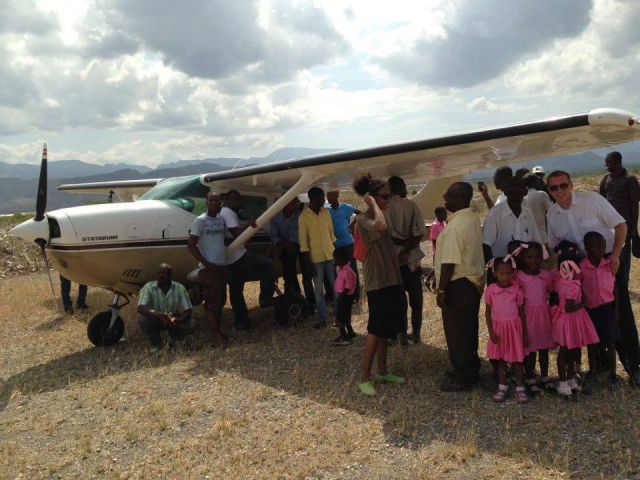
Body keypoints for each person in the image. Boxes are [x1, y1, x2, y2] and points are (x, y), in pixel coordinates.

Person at [546, 170, 640, 385]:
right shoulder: (551, 215)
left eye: (563, 185)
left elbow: (621, 225)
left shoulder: (592, 200)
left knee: (619, 314)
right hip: (581, 269)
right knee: (591, 316)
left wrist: (616, 255)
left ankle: (634, 366)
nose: (559, 191)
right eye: (553, 187)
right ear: (549, 191)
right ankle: (601, 367)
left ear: (570, 185)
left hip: (608, 262)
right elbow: (554, 246)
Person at [353, 175, 405, 396]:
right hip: (377, 280)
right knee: (375, 328)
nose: (389, 200)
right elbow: (381, 227)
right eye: (384, 196)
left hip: (391, 277)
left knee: (385, 328)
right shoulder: (363, 219)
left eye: (389, 195)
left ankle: (382, 371)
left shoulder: (380, 214)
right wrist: (373, 204)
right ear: (370, 197)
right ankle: (365, 376)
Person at [435, 182, 485, 392]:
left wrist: (441, 290)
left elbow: (449, 262)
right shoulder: (471, 216)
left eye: (449, 195)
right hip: (471, 282)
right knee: (468, 328)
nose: (445, 198)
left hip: (458, 284)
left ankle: (464, 377)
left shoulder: (456, 226)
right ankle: (468, 368)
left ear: (459, 200)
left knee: (457, 332)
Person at [220, 189, 276, 330]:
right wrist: (249, 225)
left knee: (236, 290)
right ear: (227, 200)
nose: (239, 202)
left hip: (230, 258)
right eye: (236, 199)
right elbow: (237, 233)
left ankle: (242, 322)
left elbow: (237, 237)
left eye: (240, 199)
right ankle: (265, 298)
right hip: (238, 256)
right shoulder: (228, 212)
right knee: (268, 265)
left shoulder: (226, 212)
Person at [385, 176, 427, 344]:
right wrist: (408, 248)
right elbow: (419, 233)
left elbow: (384, 235)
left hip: (394, 260)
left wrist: (400, 246)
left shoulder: (385, 208)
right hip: (412, 259)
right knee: (416, 300)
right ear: (400, 188)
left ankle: (401, 336)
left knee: (398, 301)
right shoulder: (411, 205)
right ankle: (416, 334)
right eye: (404, 185)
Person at [551, 257, 600, 398]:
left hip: (563, 319)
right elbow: (569, 307)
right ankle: (563, 382)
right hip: (570, 320)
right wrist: (582, 303)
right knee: (566, 351)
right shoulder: (573, 286)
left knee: (570, 350)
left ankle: (570, 379)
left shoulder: (560, 282)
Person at [485, 256, 529, 405]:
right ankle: (502, 386)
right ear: (495, 274)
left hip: (514, 329)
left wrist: (524, 332)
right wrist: (491, 331)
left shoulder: (517, 290)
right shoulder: (491, 290)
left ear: (513, 273)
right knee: (501, 359)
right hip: (499, 329)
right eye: (501, 273)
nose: (505, 277)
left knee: (517, 360)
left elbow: (522, 312)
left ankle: (520, 388)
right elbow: (487, 312)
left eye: (509, 273)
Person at [513, 242, 555, 394]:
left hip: (543, 317)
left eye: (537, 257)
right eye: (529, 257)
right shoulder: (518, 277)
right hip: (527, 317)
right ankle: (530, 378)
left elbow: (552, 291)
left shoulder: (546, 276)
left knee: (543, 348)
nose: (534, 261)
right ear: (523, 258)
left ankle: (544, 377)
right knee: (530, 350)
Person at [581, 231, 620, 389]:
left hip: (608, 309)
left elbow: (614, 288)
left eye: (603, 247)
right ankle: (592, 371)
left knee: (610, 342)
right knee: (593, 343)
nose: (601, 250)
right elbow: (579, 289)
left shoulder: (608, 264)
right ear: (587, 248)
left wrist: (616, 310)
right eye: (597, 247)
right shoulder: (582, 267)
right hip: (591, 310)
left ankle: (612, 374)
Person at [187, 191, 227, 346]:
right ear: (206, 202)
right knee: (211, 303)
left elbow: (226, 238)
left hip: (221, 266)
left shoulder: (221, 219)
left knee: (220, 300)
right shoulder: (200, 221)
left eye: (217, 200)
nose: (215, 203)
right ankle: (215, 336)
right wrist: (207, 264)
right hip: (209, 268)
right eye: (211, 200)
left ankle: (218, 332)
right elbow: (191, 244)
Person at [299, 187, 337, 329]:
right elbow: (303, 244)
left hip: (330, 255)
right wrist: (308, 264)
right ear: (313, 199)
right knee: (319, 291)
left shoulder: (325, 212)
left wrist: (335, 254)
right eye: (322, 197)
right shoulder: (303, 217)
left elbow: (331, 235)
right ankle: (323, 319)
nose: (324, 200)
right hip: (316, 259)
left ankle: (340, 316)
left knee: (336, 287)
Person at [270, 197, 315, 313]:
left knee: (307, 275)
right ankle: (296, 300)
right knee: (290, 276)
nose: (297, 204)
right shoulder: (275, 218)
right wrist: (286, 244)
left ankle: (311, 304)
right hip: (287, 248)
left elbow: (300, 234)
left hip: (301, 245)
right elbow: (274, 237)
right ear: (285, 204)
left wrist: (290, 244)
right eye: (294, 202)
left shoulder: (300, 216)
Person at [137, 263, 193, 353]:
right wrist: (157, 315)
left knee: (191, 323)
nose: (161, 276)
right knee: (142, 319)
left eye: (165, 273)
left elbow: (188, 310)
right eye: (159, 273)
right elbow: (140, 308)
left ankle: (176, 339)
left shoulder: (179, 287)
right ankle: (156, 344)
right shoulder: (149, 287)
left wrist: (178, 319)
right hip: (156, 318)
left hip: (172, 319)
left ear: (171, 275)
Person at [482, 176, 542, 259]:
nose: (515, 196)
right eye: (511, 192)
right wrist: (491, 267)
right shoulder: (495, 213)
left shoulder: (528, 214)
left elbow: (536, 242)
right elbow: (486, 244)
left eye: (519, 193)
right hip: (503, 269)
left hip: (525, 268)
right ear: (505, 193)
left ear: (525, 193)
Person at [325, 190, 361, 305]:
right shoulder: (327, 211)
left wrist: (353, 223)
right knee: (336, 271)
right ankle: (341, 294)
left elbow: (360, 213)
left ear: (336, 195)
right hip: (335, 245)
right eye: (327, 196)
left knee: (352, 269)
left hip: (348, 243)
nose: (328, 198)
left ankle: (356, 295)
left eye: (330, 195)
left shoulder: (346, 207)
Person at [332, 247, 357, 346]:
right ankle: (350, 332)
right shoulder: (342, 269)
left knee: (340, 317)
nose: (335, 261)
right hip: (343, 296)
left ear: (342, 259)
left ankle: (344, 336)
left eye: (336, 259)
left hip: (345, 297)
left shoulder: (347, 271)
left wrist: (341, 296)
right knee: (345, 316)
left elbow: (349, 286)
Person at [522, 173, 552, 245]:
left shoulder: (521, 197)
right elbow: (552, 211)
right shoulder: (541, 194)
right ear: (534, 182)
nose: (540, 182)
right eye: (537, 181)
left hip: (526, 237)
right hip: (541, 235)